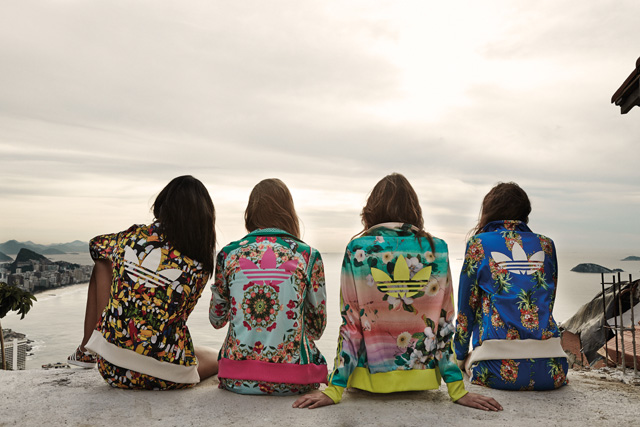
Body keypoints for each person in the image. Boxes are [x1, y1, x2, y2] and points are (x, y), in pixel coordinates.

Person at [294, 173, 502, 411]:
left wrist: (334, 389)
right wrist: (457, 389)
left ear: (371, 211)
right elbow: (444, 326)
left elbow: (350, 326)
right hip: (422, 381)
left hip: (367, 382)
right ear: (415, 210)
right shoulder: (438, 250)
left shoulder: (358, 250)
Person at [67, 175, 219, 390]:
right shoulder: (200, 263)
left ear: (162, 206)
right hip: (171, 376)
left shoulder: (133, 237)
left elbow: (96, 245)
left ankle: (87, 349)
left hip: (113, 370)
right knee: (217, 357)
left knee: (102, 262)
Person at [210, 178, 328, 395]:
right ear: (289, 212)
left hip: (235, 378)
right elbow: (316, 329)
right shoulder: (308, 255)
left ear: (250, 213)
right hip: (295, 380)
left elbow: (216, 320)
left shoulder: (228, 254)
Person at [453, 182, 568, 390]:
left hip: (496, 368)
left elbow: (466, 310)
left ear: (488, 211)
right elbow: (548, 302)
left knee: (471, 360)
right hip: (553, 369)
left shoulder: (479, 244)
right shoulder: (546, 245)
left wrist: (460, 358)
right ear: (525, 213)